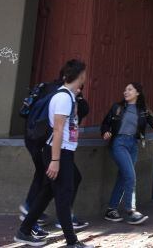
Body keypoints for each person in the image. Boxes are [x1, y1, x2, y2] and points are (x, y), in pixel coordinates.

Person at [14, 59, 93, 248]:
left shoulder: (68, 97)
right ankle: (72, 242)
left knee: (48, 192)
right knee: (64, 195)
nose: (85, 78)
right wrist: (55, 160)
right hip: (58, 153)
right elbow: (57, 131)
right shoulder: (63, 98)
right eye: (84, 75)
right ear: (80, 76)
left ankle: (24, 231)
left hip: (62, 151)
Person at [100, 83, 153, 225]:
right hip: (119, 143)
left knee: (123, 177)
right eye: (125, 89)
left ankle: (111, 210)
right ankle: (131, 211)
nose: (125, 92)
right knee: (130, 176)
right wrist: (105, 132)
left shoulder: (143, 110)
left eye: (129, 89)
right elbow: (105, 123)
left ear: (137, 93)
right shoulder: (118, 107)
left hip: (133, 144)